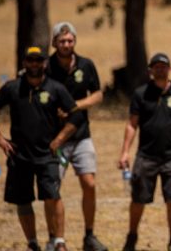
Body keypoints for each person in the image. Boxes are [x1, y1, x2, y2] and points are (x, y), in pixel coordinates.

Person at [0, 46, 84, 251]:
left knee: (53, 196)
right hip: (20, 155)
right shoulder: (12, 87)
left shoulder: (55, 88)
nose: (35, 64)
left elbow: (76, 116)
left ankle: (59, 241)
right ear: (24, 63)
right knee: (23, 200)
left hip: (48, 155)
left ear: (44, 63)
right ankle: (32, 243)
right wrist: (0, 139)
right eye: (31, 60)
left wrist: (59, 140)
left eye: (38, 60)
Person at [118, 53, 171, 251]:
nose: (160, 69)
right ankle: (132, 235)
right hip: (145, 156)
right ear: (150, 70)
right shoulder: (140, 94)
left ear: (170, 69)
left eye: (163, 66)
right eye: (156, 66)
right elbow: (131, 125)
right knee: (138, 199)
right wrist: (125, 152)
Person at [47, 21, 107, 251]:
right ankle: (54, 238)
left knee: (89, 184)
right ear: (54, 43)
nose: (66, 44)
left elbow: (98, 95)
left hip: (82, 134)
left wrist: (74, 106)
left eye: (70, 40)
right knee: (51, 188)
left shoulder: (86, 65)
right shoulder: (47, 67)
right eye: (62, 41)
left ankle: (89, 236)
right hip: (55, 140)